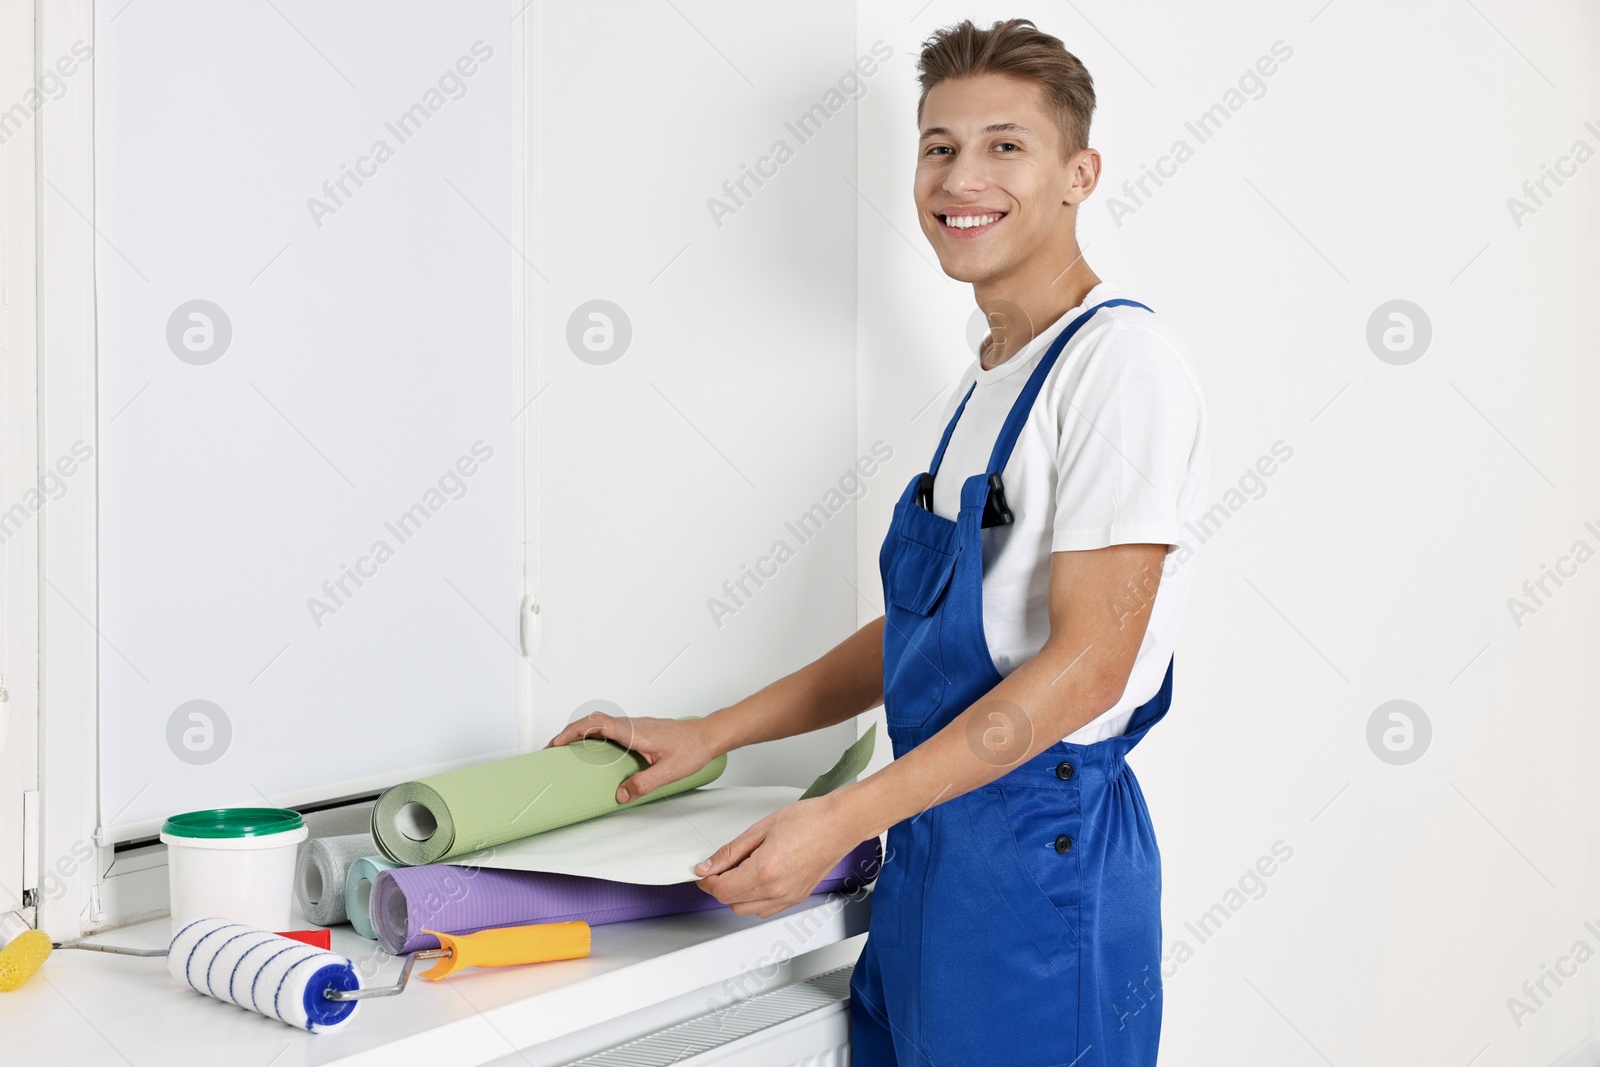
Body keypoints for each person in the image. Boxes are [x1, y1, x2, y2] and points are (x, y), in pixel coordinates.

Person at [547, 17, 1209, 1066]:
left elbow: (1088, 667)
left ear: (1080, 172)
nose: (961, 176)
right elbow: (920, 628)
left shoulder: (1119, 363)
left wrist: (842, 813)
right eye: (938, 145)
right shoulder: (987, 374)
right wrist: (712, 731)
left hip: (1043, 862)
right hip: (932, 848)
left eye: (1005, 145)